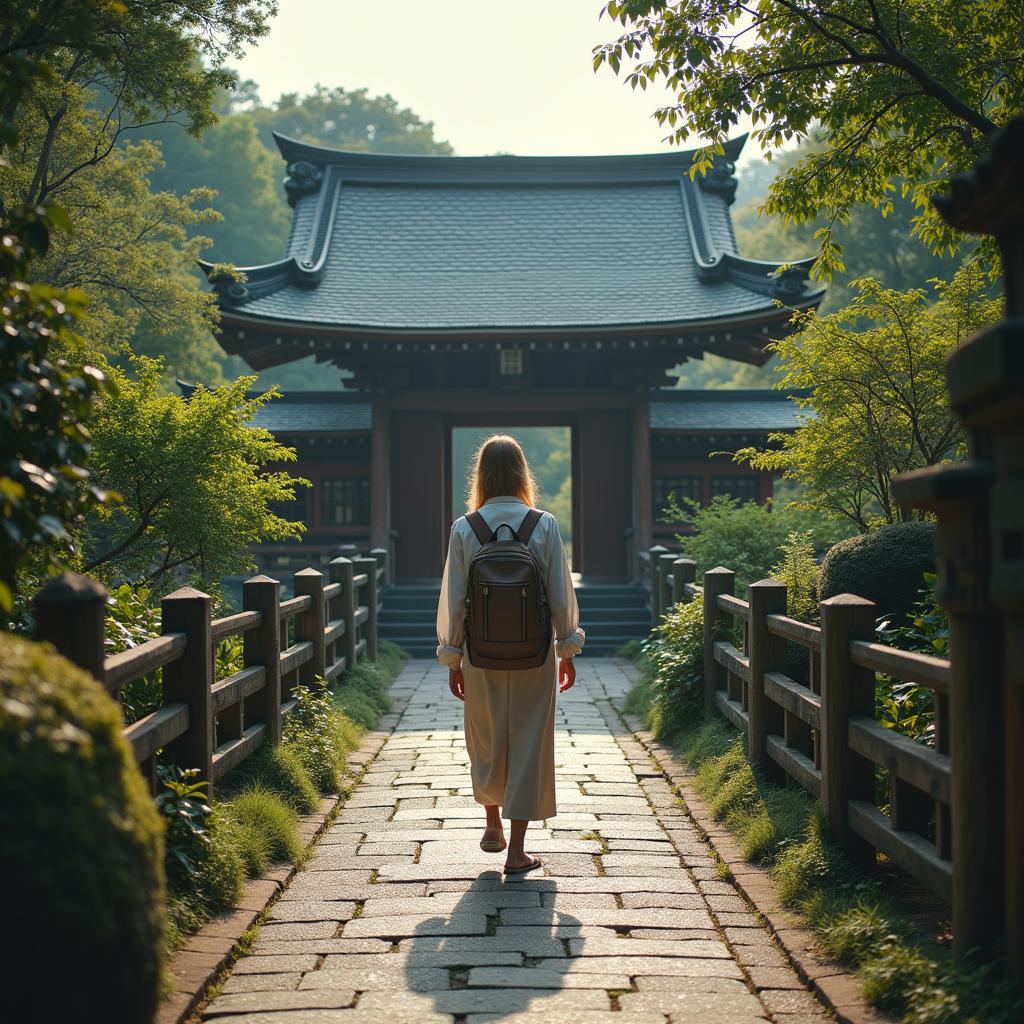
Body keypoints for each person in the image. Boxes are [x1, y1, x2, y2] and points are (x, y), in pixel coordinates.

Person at [436, 434, 584, 874]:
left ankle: (491, 825)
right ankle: (518, 851)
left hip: (480, 657)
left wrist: (452, 657)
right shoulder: (544, 524)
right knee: (528, 742)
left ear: (480, 475)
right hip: (534, 655)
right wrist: (567, 648)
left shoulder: (466, 527)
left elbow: (453, 597)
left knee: (486, 739)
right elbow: (560, 591)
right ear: (522, 473)